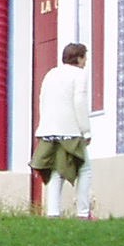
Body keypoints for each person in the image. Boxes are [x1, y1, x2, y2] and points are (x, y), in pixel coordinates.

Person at [30, 42, 94, 218]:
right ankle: (83, 212)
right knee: (85, 169)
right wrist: (86, 130)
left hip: (49, 130)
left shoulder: (51, 74)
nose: (86, 61)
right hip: (71, 130)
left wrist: (44, 125)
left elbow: (42, 99)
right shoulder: (79, 75)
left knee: (56, 172)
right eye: (84, 57)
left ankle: (52, 212)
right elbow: (79, 103)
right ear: (79, 57)